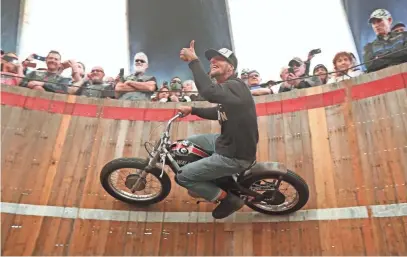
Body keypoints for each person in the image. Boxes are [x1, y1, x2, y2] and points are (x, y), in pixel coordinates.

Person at [177, 40, 259, 219]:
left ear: (231, 67)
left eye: (219, 59)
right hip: (226, 142)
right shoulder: (230, 92)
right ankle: (212, 177)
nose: (213, 61)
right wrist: (193, 110)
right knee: (190, 142)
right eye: (211, 59)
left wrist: (194, 62)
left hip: (235, 155)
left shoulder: (235, 86)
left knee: (183, 177)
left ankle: (228, 199)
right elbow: (219, 112)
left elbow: (209, 92)